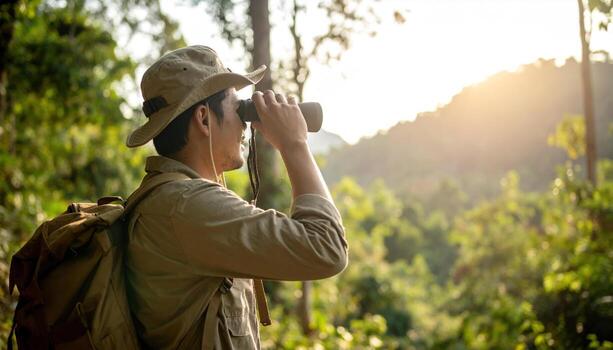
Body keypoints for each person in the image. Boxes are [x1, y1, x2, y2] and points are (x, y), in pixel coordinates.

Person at [124, 45, 348, 349]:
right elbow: (327, 247)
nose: (245, 123)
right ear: (204, 119)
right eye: (237, 108)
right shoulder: (186, 205)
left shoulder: (177, 199)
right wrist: (294, 144)